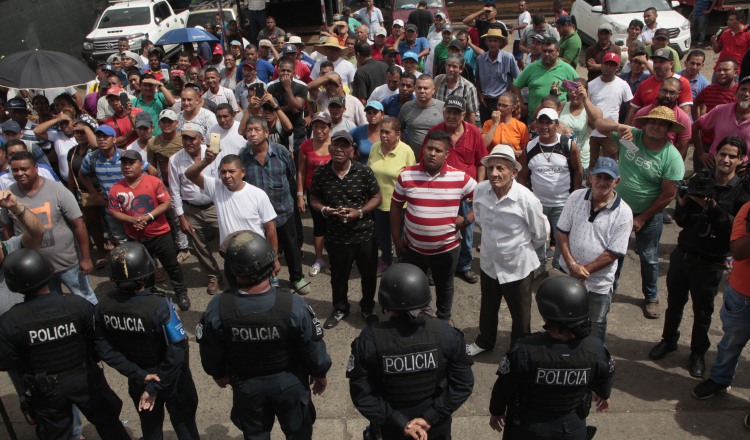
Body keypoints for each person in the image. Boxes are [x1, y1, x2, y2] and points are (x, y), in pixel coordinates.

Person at [197, 230, 331, 438]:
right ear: (272, 267)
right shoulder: (293, 305)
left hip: (247, 386)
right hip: (290, 384)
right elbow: (312, 345)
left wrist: (218, 373)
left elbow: (209, 347)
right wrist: (320, 373)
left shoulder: (218, 306)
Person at [0, 247, 130, 440]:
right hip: (85, 379)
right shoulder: (76, 304)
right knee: (110, 424)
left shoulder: (10, 321)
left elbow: (5, 362)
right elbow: (98, 341)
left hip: (46, 390)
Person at [649, 136, 750, 377]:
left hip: (711, 262)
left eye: (732, 156)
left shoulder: (742, 191)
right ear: (716, 155)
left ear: (740, 160)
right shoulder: (700, 179)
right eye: (722, 153)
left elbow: (733, 229)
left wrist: (711, 206)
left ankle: (697, 352)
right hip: (683, 254)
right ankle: (669, 339)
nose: (725, 159)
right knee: (674, 304)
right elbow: (682, 221)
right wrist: (683, 203)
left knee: (703, 312)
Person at [347, 263, 474, 439]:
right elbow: (462, 384)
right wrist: (430, 417)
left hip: (391, 429)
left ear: (385, 302)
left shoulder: (370, 340)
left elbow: (362, 393)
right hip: (434, 428)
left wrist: (400, 423)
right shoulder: (447, 334)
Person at [94, 242, 199, 440]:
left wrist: (140, 376)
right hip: (172, 380)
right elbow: (178, 348)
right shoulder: (160, 305)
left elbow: (104, 348)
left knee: (150, 429)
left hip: (139, 379)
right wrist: (155, 386)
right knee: (185, 426)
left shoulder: (103, 306)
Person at [488, 276, 615, 439]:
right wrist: (604, 395)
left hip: (528, 429)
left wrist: (496, 412)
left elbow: (504, 387)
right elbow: (604, 376)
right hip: (572, 428)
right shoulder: (595, 348)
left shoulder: (526, 349)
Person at [595, 106, 685, 319]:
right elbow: (598, 125)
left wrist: (642, 218)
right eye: (652, 122)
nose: (656, 127)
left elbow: (667, 195)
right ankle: (609, 289)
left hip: (649, 214)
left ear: (669, 129)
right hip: (618, 209)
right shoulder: (631, 137)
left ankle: (651, 297)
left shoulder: (671, 157)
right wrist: (620, 126)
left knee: (649, 256)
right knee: (614, 251)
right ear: (644, 123)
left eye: (662, 124)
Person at [467, 144, 548, 357]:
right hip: (489, 263)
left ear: (513, 172)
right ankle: (485, 340)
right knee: (488, 306)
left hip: (517, 267)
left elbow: (540, 234)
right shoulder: (480, 190)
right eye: (491, 167)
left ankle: (519, 351)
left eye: (501, 168)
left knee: (520, 315)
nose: (494, 174)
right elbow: (480, 220)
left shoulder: (527, 199)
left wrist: (515, 248)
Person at [391, 129, 477, 321]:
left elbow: (483, 199)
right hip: (413, 248)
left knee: (444, 284)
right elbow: (396, 206)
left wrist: (468, 219)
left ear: (446, 154)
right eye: (429, 148)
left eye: (438, 150)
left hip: (447, 249)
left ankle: (443, 320)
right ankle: (416, 317)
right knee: (413, 285)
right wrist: (396, 238)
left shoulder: (460, 178)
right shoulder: (406, 175)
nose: (432, 153)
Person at [309, 131, 382, 329]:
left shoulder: (363, 171)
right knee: (338, 277)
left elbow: (377, 197)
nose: (339, 149)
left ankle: (367, 308)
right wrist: (325, 209)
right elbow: (313, 199)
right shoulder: (321, 173)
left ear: (352, 151)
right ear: (330, 149)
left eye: (345, 145)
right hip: (337, 237)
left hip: (364, 235)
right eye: (336, 145)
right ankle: (340, 308)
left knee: (368, 275)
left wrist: (359, 212)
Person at [557, 158, 634, 341]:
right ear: (589, 177)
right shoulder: (576, 197)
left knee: (595, 326)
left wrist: (584, 271)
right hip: (568, 274)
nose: (602, 182)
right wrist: (572, 265)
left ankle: (593, 360)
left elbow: (613, 252)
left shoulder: (624, 212)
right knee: (564, 320)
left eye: (608, 178)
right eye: (598, 176)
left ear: (617, 181)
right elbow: (561, 232)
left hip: (598, 284)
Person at [9, 151, 99, 305]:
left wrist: (85, 258)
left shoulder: (58, 190)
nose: (19, 173)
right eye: (15, 170)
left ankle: (95, 326)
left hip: (67, 263)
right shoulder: (10, 194)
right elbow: (7, 228)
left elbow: (79, 225)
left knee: (85, 297)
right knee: (51, 305)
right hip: (35, 268)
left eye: (24, 169)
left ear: (36, 168)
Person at [107, 149, 191, 311]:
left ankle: (181, 293)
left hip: (160, 234)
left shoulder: (154, 182)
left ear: (141, 165)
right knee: (144, 270)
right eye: (124, 163)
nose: (127, 167)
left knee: (172, 266)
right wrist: (132, 220)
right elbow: (113, 211)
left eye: (131, 163)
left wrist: (148, 217)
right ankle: (149, 294)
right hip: (135, 238)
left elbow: (166, 203)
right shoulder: (116, 189)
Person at [239, 116, 310, 294]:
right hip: (258, 217)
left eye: (256, 129)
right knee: (263, 249)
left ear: (266, 132)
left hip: (283, 211)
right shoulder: (243, 156)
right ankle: (270, 277)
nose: (252, 133)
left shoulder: (281, 152)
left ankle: (297, 277)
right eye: (249, 130)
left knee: (291, 246)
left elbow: (290, 174)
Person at [691, 198, 750, 409]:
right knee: (730, 343)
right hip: (742, 296)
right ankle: (720, 379)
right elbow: (739, 251)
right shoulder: (748, 208)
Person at [421, 97, 486, 284]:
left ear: (464, 115)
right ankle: (434, 267)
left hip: (466, 194)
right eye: (448, 111)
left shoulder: (473, 132)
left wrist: (478, 189)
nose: (451, 115)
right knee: (438, 231)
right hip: (441, 192)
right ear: (443, 112)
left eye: (456, 112)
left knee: (466, 231)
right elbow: (424, 160)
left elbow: (481, 162)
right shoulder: (435, 132)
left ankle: (463, 266)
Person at [518, 108, 583, 274]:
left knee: (563, 241)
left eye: (549, 123)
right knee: (537, 238)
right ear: (536, 124)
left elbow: (578, 171)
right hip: (537, 204)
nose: (545, 126)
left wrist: (575, 197)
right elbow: (523, 175)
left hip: (563, 204)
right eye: (541, 122)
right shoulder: (530, 147)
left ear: (557, 125)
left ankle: (557, 270)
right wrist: (525, 199)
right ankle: (538, 270)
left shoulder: (568, 144)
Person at [168, 124, 224, 295]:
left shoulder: (214, 153)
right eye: (185, 138)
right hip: (191, 209)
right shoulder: (175, 160)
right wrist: (181, 217)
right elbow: (174, 190)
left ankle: (237, 271)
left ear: (202, 138)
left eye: (192, 138)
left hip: (215, 206)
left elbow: (224, 180)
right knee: (199, 246)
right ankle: (214, 276)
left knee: (229, 237)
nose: (188, 142)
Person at [297, 112, 332, 278]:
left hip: (334, 193)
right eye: (316, 126)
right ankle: (319, 259)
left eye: (323, 127)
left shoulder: (336, 144)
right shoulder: (305, 145)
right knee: (319, 227)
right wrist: (300, 195)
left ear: (329, 128)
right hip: (314, 193)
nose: (319, 130)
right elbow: (301, 172)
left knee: (335, 227)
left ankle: (334, 258)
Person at [512, 38, 578, 123]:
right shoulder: (532, 68)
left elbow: (577, 89)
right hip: (534, 120)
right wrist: (521, 105)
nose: (547, 54)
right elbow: (516, 85)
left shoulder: (566, 69)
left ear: (558, 51)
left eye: (550, 51)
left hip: (558, 120)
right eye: (544, 51)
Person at [693, 76, 750, 171]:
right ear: (735, 93)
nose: (746, 94)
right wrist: (701, 153)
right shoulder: (720, 110)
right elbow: (695, 127)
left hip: (743, 171)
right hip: (715, 167)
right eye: (743, 89)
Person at [587, 52, 634, 168]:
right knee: (590, 162)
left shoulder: (623, 85)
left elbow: (631, 107)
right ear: (601, 65)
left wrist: (626, 126)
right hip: (592, 132)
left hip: (612, 132)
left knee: (611, 163)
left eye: (612, 64)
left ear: (617, 68)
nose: (609, 67)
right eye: (606, 63)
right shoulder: (591, 84)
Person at [624, 48, 692, 125]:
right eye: (655, 62)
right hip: (647, 130)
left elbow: (685, 111)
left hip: (671, 130)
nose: (657, 65)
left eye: (661, 62)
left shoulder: (681, 82)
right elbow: (633, 111)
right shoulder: (644, 84)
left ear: (671, 64)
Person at [476, 26, 520, 125]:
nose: (492, 44)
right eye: (490, 40)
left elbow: (518, 79)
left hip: (502, 103)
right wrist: (480, 95)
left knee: (502, 130)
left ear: (500, 42)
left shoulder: (508, 58)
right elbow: (477, 79)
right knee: (486, 131)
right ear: (486, 42)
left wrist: (510, 95)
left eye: (495, 41)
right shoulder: (480, 59)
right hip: (485, 103)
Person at [559, 78, 601, 172]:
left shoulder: (591, 111)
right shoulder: (562, 106)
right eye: (571, 91)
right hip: (559, 158)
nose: (574, 94)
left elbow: (596, 123)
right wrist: (552, 96)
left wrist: (585, 99)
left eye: (577, 91)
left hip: (580, 160)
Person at [398, 75, 445, 157]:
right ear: (415, 89)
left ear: (433, 90)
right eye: (419, 88)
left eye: (426, 88)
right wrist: (405, 147)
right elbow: (399, 130)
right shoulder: (407, 107)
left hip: (436, 158)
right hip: (413, 158)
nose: (422, 91)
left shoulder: (442, 108)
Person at [434, 54, 480, 124]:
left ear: (461, 69)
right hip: (439, 125)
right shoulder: (437, 80)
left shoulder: (468, 87)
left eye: (454, 66)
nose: (450, 69)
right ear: (445, 66)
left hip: (458, 128)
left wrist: (470, 132)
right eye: (449, 65)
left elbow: (472, 114)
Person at [510, 1, 532, 68]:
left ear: (526, 6)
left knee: (519, 57)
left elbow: (525, 25)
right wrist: (515, 26)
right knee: (517, 57)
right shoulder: (521, 15)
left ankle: (524, 71)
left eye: (522, 5)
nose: (520, 7)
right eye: (519, 5)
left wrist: (514, 28)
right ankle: (520, 71)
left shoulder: (526, 14)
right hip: (518, 38)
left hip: (522, 38)